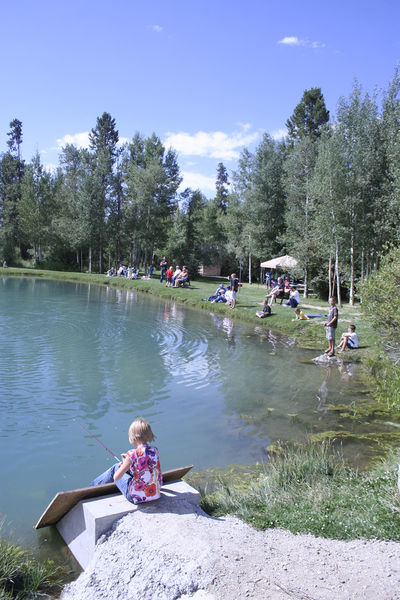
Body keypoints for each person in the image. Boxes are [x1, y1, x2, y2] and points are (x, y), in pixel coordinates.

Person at [90, 417, 162, 505]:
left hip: (135, 497)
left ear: (134, 437)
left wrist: (125, 463)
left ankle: (92, 487)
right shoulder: (154, 450)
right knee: (123, 468)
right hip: (155, 494)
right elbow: (145, 469)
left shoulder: (132, 454)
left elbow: (116, 477)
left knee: (115, 468)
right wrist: (128, 464)